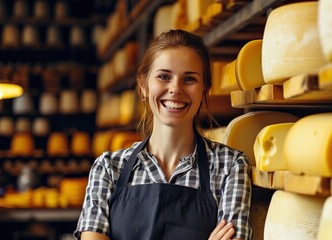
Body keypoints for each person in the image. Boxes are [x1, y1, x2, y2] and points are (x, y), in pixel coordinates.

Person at [74, 29, 252, 240]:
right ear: (143, 86)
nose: (175, 89)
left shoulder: (230, 166)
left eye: (189, 79)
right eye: (164, 76)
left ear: (205, 90)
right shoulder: (108, 169)